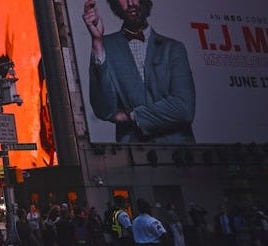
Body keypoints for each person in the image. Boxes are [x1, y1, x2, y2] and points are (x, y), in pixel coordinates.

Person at [83, 0, 195, 143]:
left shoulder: (173, 49)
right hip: (134, 156)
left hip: (180, 156)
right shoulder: (106, 46)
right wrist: (98, 43)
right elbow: (105, 111)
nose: (131, 3)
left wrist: (131, 116)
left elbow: (184, 109)